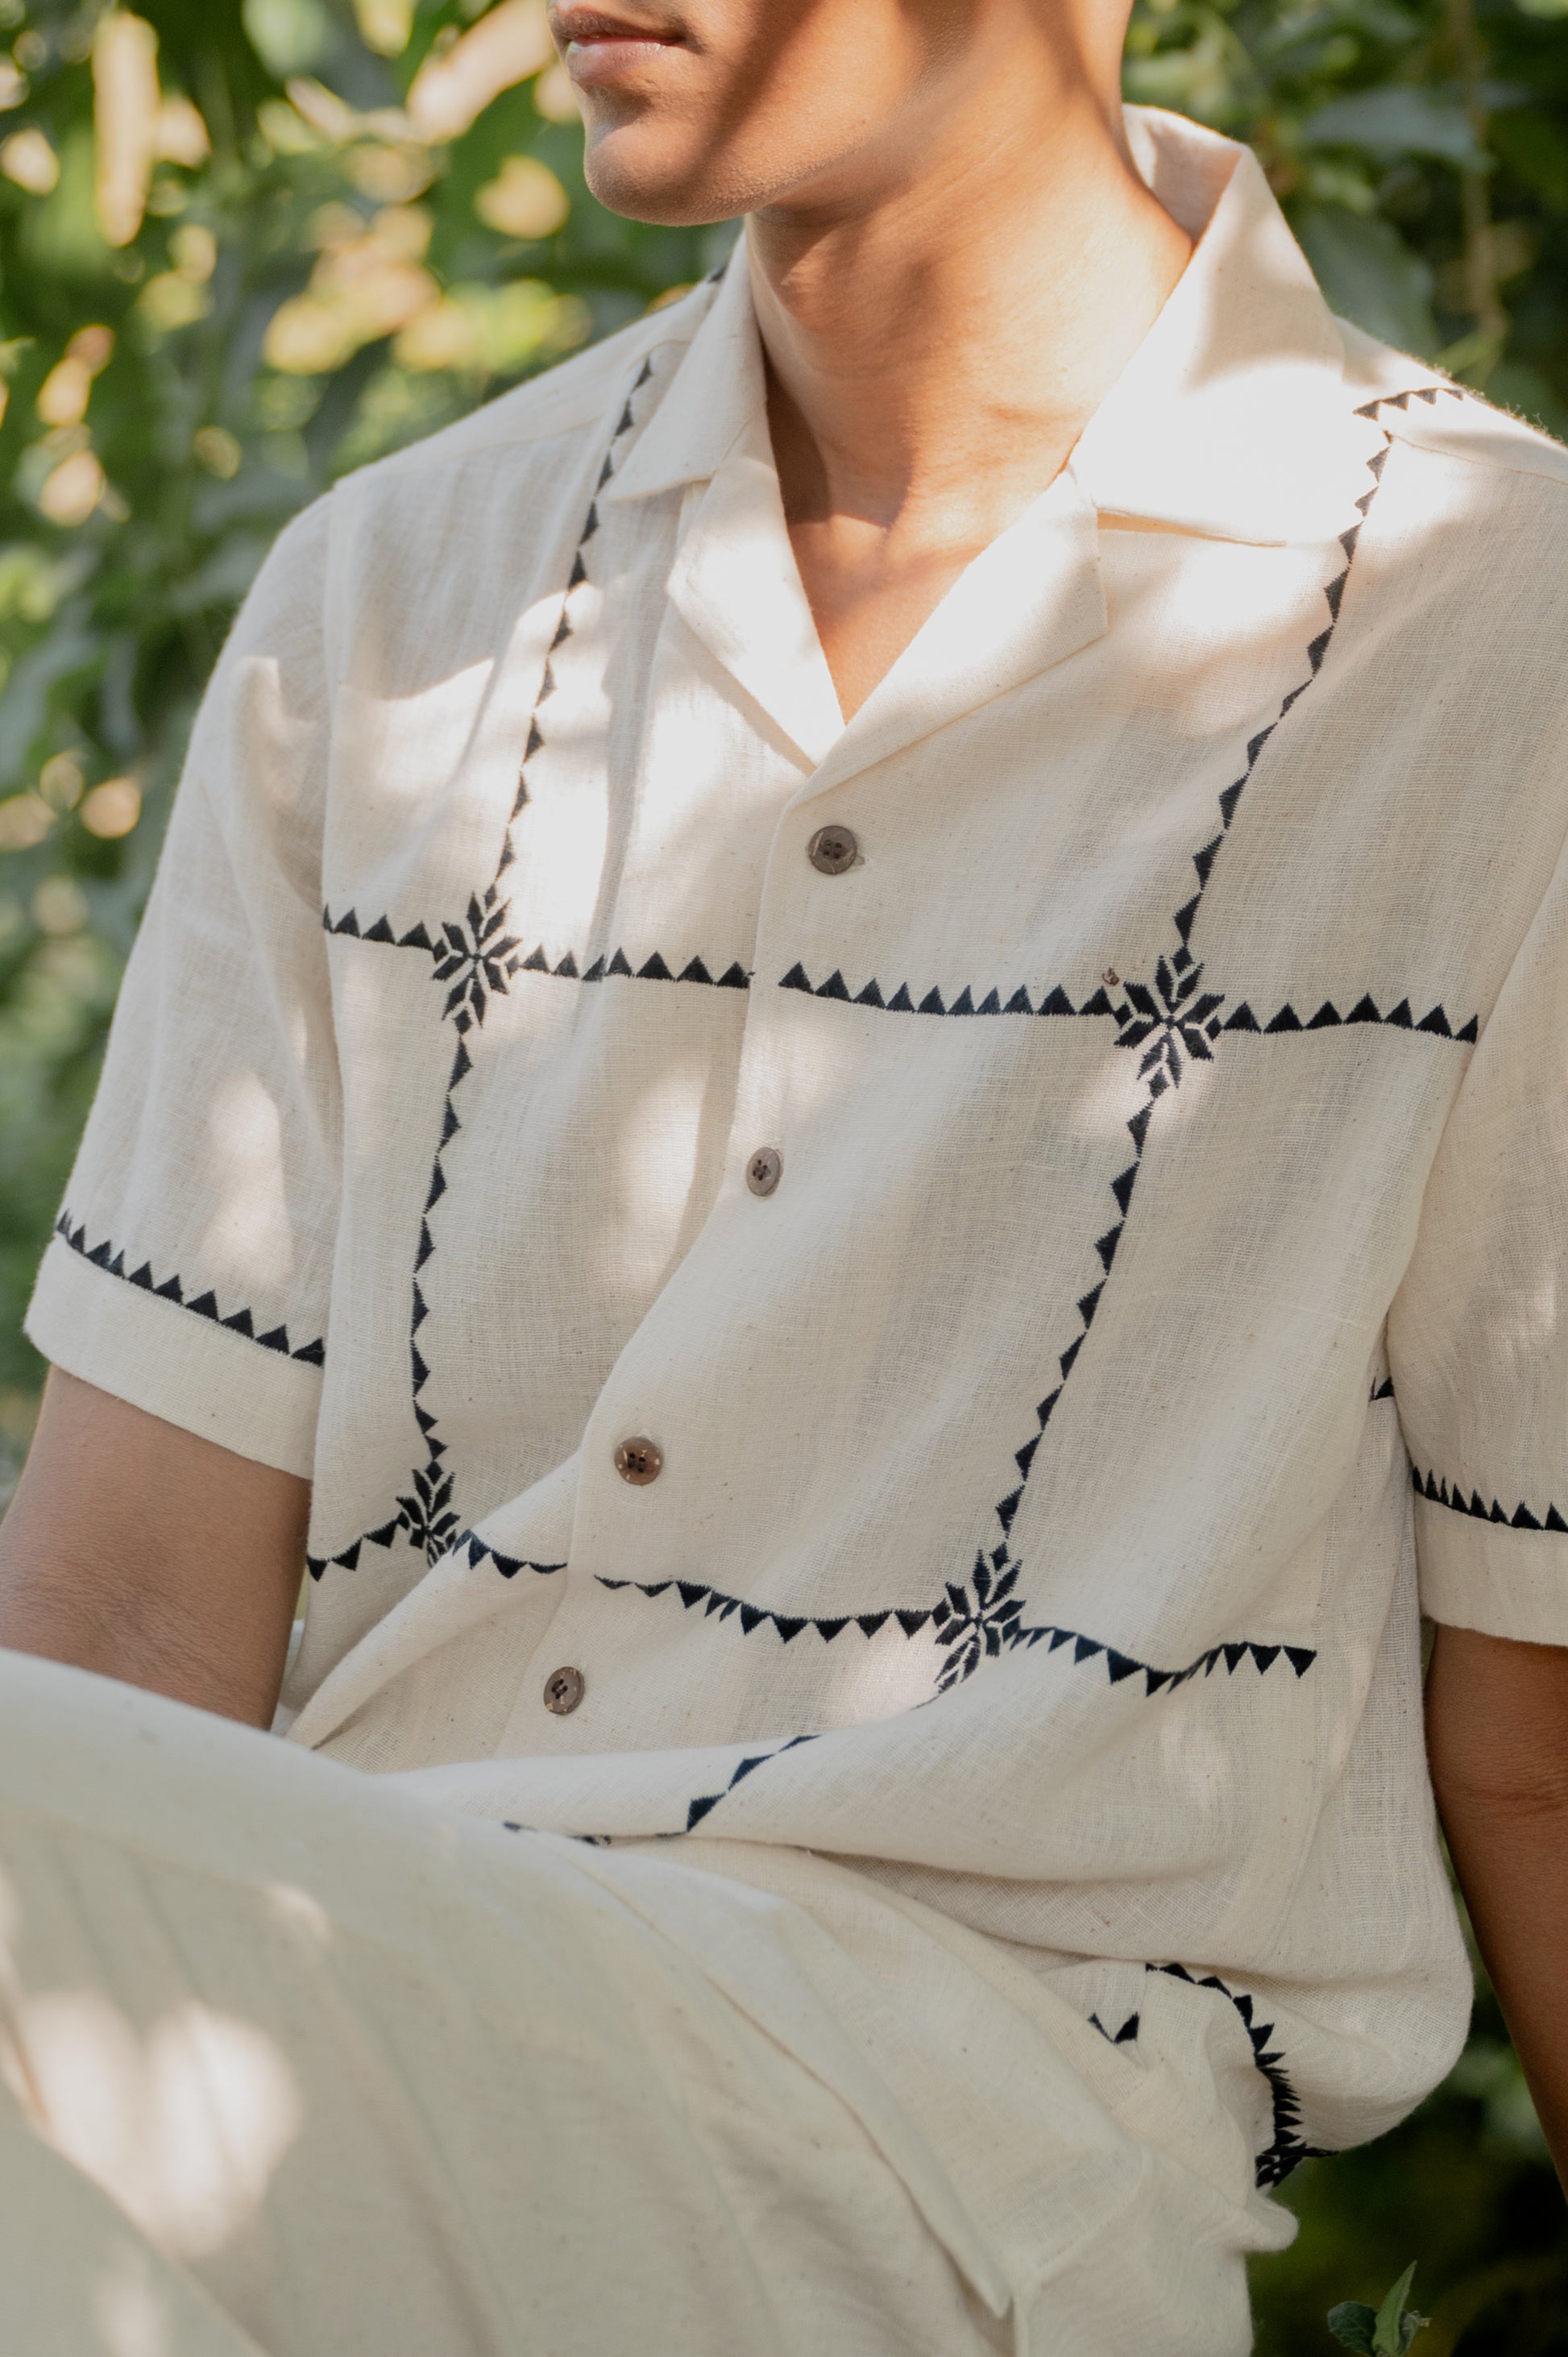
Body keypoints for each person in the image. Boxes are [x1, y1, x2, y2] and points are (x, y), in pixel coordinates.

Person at [0, 0, 1565, 2347]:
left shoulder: (1487, 626)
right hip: (353, 2022)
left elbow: (1537, 1730)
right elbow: (123, 1626)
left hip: (962, 2140)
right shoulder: (394, 601)